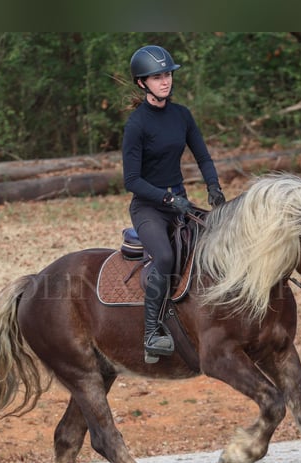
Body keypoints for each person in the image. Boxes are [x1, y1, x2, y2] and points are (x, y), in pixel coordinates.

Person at [122, 44, 226, 362]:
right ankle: (152, 332)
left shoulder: (182, 115)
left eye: (167, 74)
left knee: (217, 242)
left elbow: (203, 156)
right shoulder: (137, 124)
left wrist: (214, 188)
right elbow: (132, 181)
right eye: (157, 77)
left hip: (179, 202)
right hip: (149, 207)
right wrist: (167, 198)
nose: (165, 81)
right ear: (143, 83)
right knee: (165, 257)